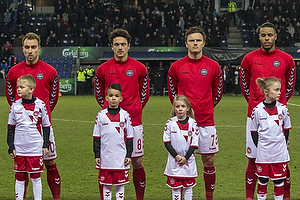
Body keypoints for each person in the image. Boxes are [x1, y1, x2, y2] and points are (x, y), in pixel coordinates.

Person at [240, 22, 295, 200]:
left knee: (282, 162)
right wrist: (257, 105)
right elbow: (245, 86)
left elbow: (289, 86)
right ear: (259, 36)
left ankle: (285, 196)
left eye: (270, 35)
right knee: (253, 159)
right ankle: (250, 197)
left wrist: (280, 103)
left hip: (279, 117)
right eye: (263, 35)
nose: (267, 38)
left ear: (275, 36)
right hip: (255, 116)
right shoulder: (248, 59)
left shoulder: (287, 59)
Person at [168, 26, 223, 200]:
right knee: (181, 160)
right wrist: (183, 114)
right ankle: (182, 195)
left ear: (204, 43)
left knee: (209, 161)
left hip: (206, 121)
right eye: (192, 40)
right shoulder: (176, 67)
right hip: (183, 124)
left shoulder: (213, 66)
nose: (195, 43)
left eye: (198, 40)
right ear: (186, 43)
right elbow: (173, 95)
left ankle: (209, 196)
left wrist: (205, 107)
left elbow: (217, 93)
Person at [94, 28, 150, 200]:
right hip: (109, 125)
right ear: (111, 46)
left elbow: (144, 94)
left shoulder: (139, 68)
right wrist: (109, 113)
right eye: (116, 44)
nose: (120, 48)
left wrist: (134, 109)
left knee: (137, 161)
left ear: (129, 46)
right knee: (107, 163)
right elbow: (99, 93)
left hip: (133, 121)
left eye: (123, 44)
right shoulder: (103, 69)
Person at [5, 32, 61, 200]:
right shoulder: (14, 72)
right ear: (22, 49)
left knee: (50, 163)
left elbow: (52, 99)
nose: (30, 51)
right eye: (27, 47)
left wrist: (40, 116)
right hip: (22, 131)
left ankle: (56, 197)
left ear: (39, 49)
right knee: (22, 169)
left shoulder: (50, 71)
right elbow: (11, 98)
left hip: (43, 128)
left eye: (33, 47)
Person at [7, 74, 51, 200]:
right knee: (19, 176)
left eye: (22, 87)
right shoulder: (15, 106)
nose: (18, 89)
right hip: (20, 148)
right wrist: (11, 146)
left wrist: (45, 144)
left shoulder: (40, 105)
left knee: (36, 176)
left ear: (31, 89)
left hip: (35, 147)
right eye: (17, 87)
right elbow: (10, 128)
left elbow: (46, 126)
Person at [250, 77, 291, 200]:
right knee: (262, 179)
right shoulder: (257, 110)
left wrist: (282, 144)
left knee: (278, 180)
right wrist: (262, 147)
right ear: (266, 92)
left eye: (280, 89)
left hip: (279, 152)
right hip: (264, 153)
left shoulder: (283, 109)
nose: (280, 92)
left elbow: (287, 129)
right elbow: (254, 132)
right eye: (276, 90)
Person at [93, 83, 133, 200]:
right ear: (106, 98)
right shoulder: (101, 115)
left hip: (120, 158)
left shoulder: (125, 115)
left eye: (116, 96)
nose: (113, 98)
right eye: (111, 95)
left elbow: (130, 137)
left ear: (121, 98)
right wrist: (97, 155)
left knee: (120, 185)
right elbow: (96, 137)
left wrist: (128, 155)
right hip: (105, 157)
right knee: (106, 185)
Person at [163, 95, 199, 200]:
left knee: (188, 187)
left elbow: (194, 143)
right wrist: (177, 156)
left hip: (188, 162)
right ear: (174, 108)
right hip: (174, 161)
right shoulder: (170, 123)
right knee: (176, 188)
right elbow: (166, 142)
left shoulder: (193, 124)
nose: (180, 109)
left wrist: (186, 157)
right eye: (177, 106)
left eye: (183, 106)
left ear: (188, 108)